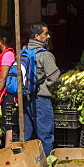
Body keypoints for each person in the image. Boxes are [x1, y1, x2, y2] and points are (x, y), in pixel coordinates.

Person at [22, 22, 61, 157]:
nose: (48, 36)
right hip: (41, 99)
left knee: (26, 136)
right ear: (37, 36)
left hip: (25, 98)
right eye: (46, 34)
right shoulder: (45, 54)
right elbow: (55, 77)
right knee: (45, 136)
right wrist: (47, 86)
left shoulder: (24, 50)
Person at [0, 25, 17, 147]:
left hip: (7, 94)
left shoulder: (8, 54)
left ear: (4, 39)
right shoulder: (3, 53)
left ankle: (8, 150)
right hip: (3, 92)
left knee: (9, 124)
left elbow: (3, 76)